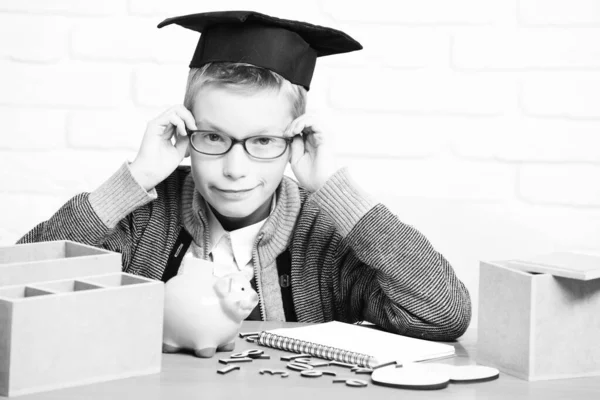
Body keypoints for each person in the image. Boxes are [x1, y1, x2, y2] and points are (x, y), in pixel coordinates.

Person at [18, 11, 471, 340]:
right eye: (213, 138)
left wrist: (336, 192)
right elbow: (21, 288)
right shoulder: (142, 220)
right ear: (184, 129)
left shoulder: (328, 235)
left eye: (262, 141)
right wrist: (133, 180)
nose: (235, 169)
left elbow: (445, 314)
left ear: (294, 142)